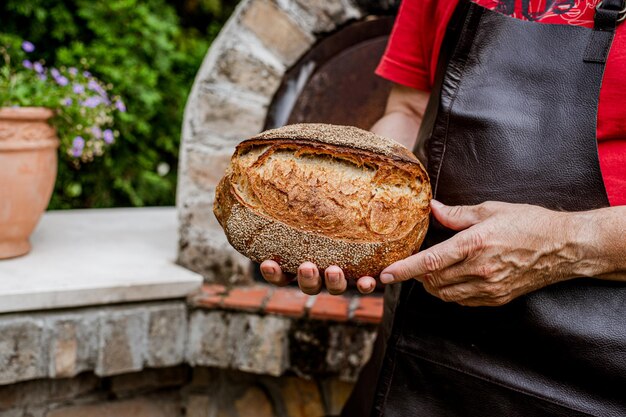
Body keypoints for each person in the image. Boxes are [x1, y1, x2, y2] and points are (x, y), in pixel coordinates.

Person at [261, 0, 626, 415]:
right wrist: (352, 220)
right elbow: (409, 110)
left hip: (594, 371)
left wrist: (564, 243)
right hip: (421, 348)